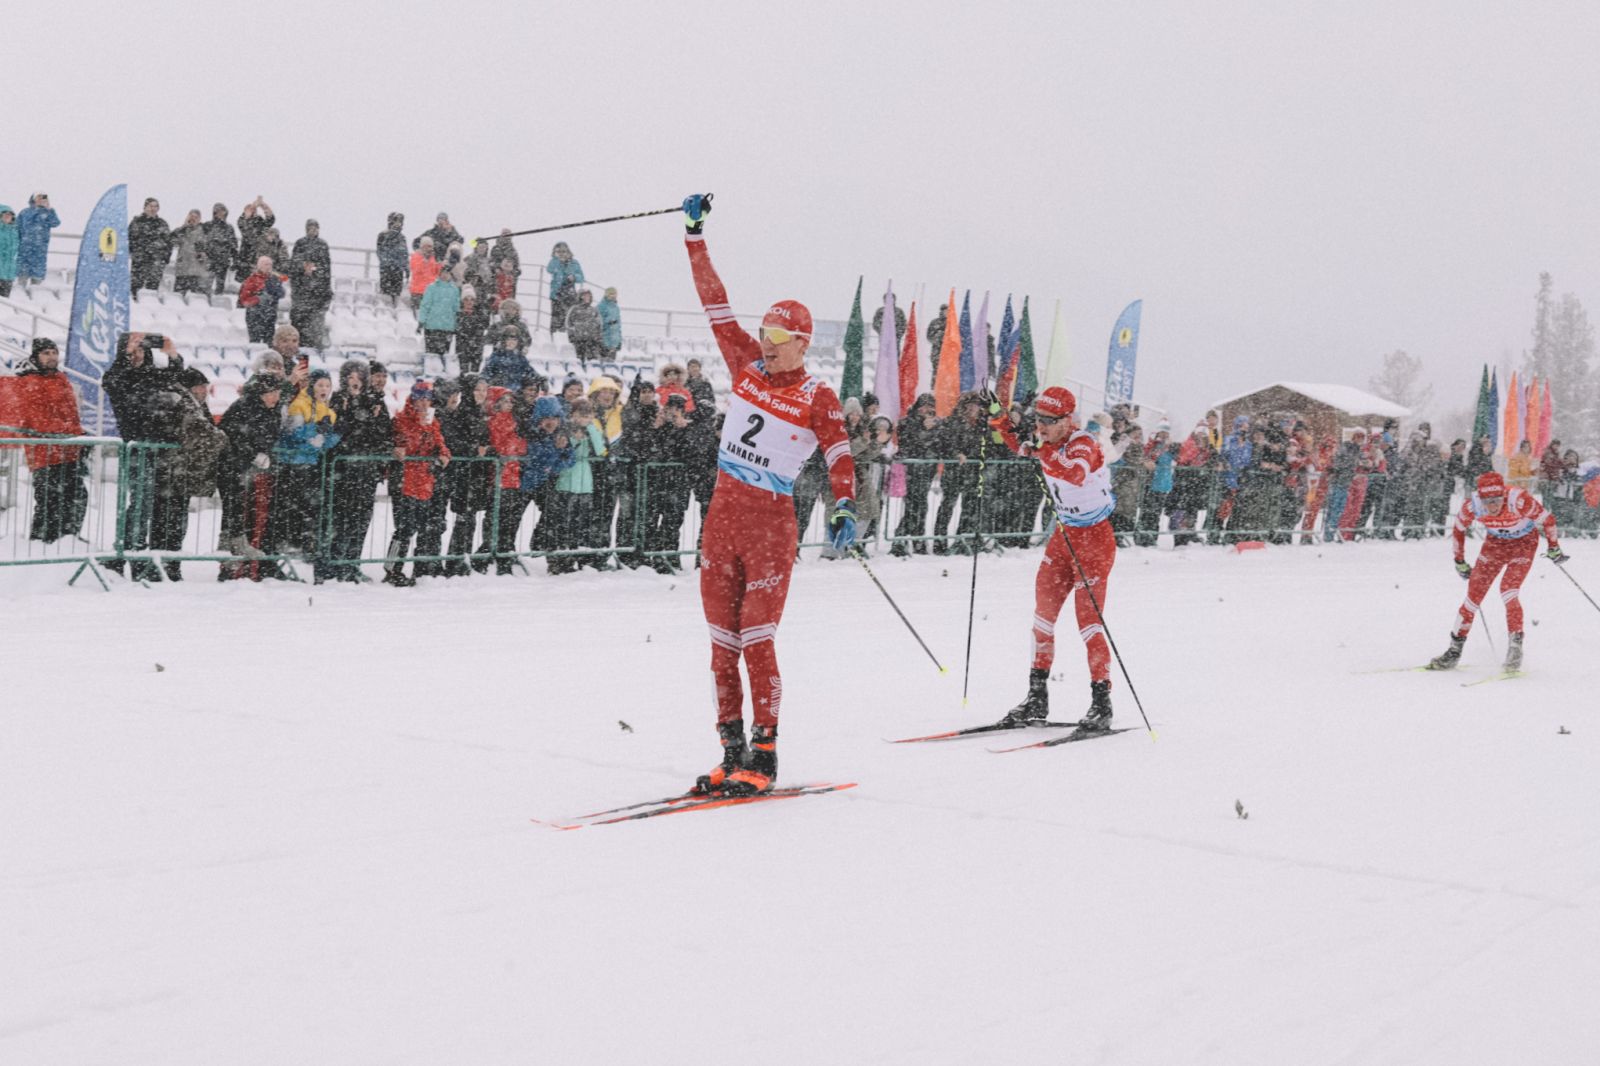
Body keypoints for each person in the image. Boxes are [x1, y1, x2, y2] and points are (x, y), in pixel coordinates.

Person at [680, 193, 856, 795]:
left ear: (803, 342)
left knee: (757, 639)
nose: (767, 341)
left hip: (770, 526)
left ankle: (765, 753)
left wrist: (844, 504)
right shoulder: (746, 366)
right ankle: (730, 750)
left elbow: (840, 454)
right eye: (764, 331)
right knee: (721, 646)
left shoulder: (817, 396)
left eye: (779, 335)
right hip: (722, 518)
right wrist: (695, 236)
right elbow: (714, 302)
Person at [991, 385, 1119, 731]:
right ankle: (1036, 698)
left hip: (1095, 542)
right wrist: (999, 418)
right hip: (1064, 538)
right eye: (1038, 419)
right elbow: (1020, 445)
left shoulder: (1083, 443)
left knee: (1088, 623)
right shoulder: (1044, 441)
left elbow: (1074, 472)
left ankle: (1101, 703)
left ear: (1068, 420)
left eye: (1049, 420)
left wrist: (1040, 448)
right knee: (1042, 619)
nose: (1041, 426)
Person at [1427, 471, 1566, 674]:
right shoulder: (1472, 505)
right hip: (1495, 545)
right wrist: (1459, 561)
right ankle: (1453, 651)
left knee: (1508, 590)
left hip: (1524, 544)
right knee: (1473, 597)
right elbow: (1458, 529)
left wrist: (1554, 547)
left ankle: (1515, 649)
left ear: (1504, 495)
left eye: (1497, 500)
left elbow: (1548, 519)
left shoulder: (1518, 500)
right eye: (1487, 501)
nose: (1492, 506)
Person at [102, 332, 190, 581]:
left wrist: (172, 354)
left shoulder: (153, 375)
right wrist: (125, 355)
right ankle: (132, 553)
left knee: (153, 506)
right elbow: (112, 382)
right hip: (137, 449)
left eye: (142, 349)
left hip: (159, 449)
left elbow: (177, 377)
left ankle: (136, 555)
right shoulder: (120, 376)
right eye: (134, 350)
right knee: (141, 503)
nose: (138, 354)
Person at [13, 339, 88, 543]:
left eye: (54, 352)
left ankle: (68, 539)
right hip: (45, 453)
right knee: (50, 503)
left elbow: (71, 415)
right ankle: (42, 542)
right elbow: (40, 422)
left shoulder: (61, 378)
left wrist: (79, 437)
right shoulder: (28, 381)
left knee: (76, 497)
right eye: (46, 353)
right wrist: (76, 434)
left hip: (68, 450)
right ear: (35, 356)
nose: (52, 356)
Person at [326, 359, 392, 581]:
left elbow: (381, 432)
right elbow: (340, 432)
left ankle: (352, 562)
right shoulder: (338, 399)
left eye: (359, 377)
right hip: (344, 471)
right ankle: (337, 563)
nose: (355, 381)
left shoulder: (372, 401)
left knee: (361, 519)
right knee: (342, 519)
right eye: (351, 377)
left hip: (367, 471)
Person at [217, 375, 285, 577]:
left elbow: (269, 437)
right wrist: (253, 454)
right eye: (272, 393)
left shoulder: (271, 411)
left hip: (246, 466)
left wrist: (264, 454)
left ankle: (234, 547)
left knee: (240, 507)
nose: (275, 397)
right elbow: (232, 435)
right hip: (231, 464)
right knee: (233, 506)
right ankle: (229, 548)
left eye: (278, 393)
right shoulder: (244, 407)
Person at [385, 382, 451, 587]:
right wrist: (421, 429)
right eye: (420, 398)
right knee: (404, 529)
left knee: (422, 527)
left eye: (427, 399)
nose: (424, 403)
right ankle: (392, 569)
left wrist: (444, 454)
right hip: (404, 481)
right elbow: (406, 446)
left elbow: (441, 444)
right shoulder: (402, 419)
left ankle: (419, 568)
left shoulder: (432, 421)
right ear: (412, 399)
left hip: (424, 481)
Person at [289, 220, 333, 351]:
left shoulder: (322, 245)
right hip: (301, 292)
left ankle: (314, 350)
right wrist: (303, 267)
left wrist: (314, 269)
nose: (313, 230)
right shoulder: (300, 243)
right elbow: (294, 263)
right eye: (310, 228)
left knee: (316, 326)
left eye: (315, 228)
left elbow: (326, 268)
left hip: (317, 294)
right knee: (299, 324)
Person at [417, 268, 462, 373]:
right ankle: (430, 373)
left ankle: (442, 375)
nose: (445, 275)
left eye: (447, 273)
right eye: (443, 272)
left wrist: (456, 324)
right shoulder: (431, 288)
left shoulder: (454, 289)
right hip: (432, 325)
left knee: (444, 354)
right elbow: (425, 305)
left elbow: (456, 308)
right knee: (431, 355)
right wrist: (421, 320)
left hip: (447, 327)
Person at [128, 198, 173, 295]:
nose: (153, 208)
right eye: (150, 206)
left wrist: (165, 258)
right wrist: (134, 252)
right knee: (135, 288)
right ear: (145, 207)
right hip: (139, 261)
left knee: (152, 290)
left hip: (156, 262)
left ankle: (150, 303)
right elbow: (130, 239)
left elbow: (169, 243)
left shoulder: (162, 223)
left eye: (155, 206)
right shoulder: (136, 222)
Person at [15, 193, 60, 289]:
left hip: (40, 250)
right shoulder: (25, 212)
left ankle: (36, 294)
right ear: (33, 199)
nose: (41, 200)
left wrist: (49, 210)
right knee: (21, 279)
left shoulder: (48, 213)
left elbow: (56, 223)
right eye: (38, 197)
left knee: (37, 281)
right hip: (24, 249)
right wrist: (17, 242)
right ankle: (20, 294)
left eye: (43, 198)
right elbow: (17, 227)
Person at [238, 255, 286, 344]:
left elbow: (282, 293)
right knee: (255, 342)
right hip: (255, 315)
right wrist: (258, 299)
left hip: (270, 314)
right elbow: (244, 300)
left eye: (270, 265)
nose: (269, 267)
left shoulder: (274, 279)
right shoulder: (252, 279)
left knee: (269, 342)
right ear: (259, 266)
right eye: (266, 264)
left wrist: (274, 295)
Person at [547, 241, 584, 336]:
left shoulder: (574, 263)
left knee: (569, 316)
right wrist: (557, 259)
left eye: (563, 251)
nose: (562, 254)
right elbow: (549, 269)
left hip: (569, 292)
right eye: (559, 251)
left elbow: (581, 277)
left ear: (568, 251)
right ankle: (554, 335)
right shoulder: (554, 262)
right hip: (556, 293)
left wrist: (574, 277)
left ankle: (568, 336)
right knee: (556, 317)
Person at [234, 197, 275, 282]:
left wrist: (264, 206)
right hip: (245, 258)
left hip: (258, 257)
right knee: (244, 283)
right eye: (250, 210)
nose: (253, 211)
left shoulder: (259, 221)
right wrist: (253, 206)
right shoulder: (242, 221)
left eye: (254, 210)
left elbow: (270, 220)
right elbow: (245, 225)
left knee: (259, 283)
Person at [171, 210, 210, 297]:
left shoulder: (204, 231)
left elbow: (209, 248)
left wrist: (203, 254)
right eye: (191, 216)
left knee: (196, 299)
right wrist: (183, 227)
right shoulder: (182, 231)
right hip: (182, 270)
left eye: (196, 217)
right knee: (177, 297)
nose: (193, 219)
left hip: (197, 271)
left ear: (199, 219)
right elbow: (171, 240)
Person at [454, 286, 491, 374]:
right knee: (463, 371)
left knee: (475, 372)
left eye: (472, 299)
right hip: (462, 346)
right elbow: (456, 329)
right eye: (466, 299)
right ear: (462, 301)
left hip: (476, 346)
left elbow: (485, 325)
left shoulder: (480, 313)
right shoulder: (458, 314)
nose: (469, 302)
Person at [201, 204, 236, 295]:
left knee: (220, 287)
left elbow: (233, 245)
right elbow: (199, 240)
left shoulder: (229, 228)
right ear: (214, 212)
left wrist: (235, 260)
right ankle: (203, 300)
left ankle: (218, 300)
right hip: (209, 260)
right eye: (218, 211)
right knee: (205, 286)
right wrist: (202, 253)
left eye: (223, 211)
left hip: (223, 261)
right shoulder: (207, 225)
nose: (221, 213)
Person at [565, 289, 604, 366]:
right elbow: (568, 324)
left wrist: (598, 337)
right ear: (580, 297)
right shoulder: (574, 309)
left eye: (588, 296)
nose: (587, 297)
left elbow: (599, 324)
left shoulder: (593, 310)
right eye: (585, 296)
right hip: (579, 339)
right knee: (580, 360)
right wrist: (572, 335)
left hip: (591, 340)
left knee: (593, 361)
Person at [376, 213, 409, 305]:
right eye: (396, 221)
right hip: (387, 270)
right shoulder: (383, 235)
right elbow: (380, 252)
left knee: (397, 294)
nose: (398, 224)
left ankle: (395, 309)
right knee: (386, 294)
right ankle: (385, 310)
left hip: (399, 271)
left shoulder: (402, 237)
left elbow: (405, 254)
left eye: (400, 221)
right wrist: (389, 263)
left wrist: (406, 267)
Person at [408, 237, 442, 312]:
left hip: (431, 291)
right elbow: (416, 270)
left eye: (429, 246)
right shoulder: (416, 256)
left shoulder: (433, 257)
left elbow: (438, 272)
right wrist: (425, 260)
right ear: (421, 246)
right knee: (420, 313)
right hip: (418, 292)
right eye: (425, 246)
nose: (427, 248)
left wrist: (439, 263)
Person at [598, 287, 622, 360]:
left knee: (611, 363)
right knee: (603, 362)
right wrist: (609, 321)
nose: (613, 296)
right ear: (606, 295)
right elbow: (598, 322)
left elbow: (618, 326)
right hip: (604, 339)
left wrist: (619, 340)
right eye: (611, 294)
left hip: (614, 341)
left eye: (614, 294)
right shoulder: (601, 306)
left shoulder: (616, 307)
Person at [0, 203, 18, 297]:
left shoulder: (14, 232)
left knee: (5, 300)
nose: (8, 216)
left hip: (9, 273)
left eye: (10, 214)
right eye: (5, 214)